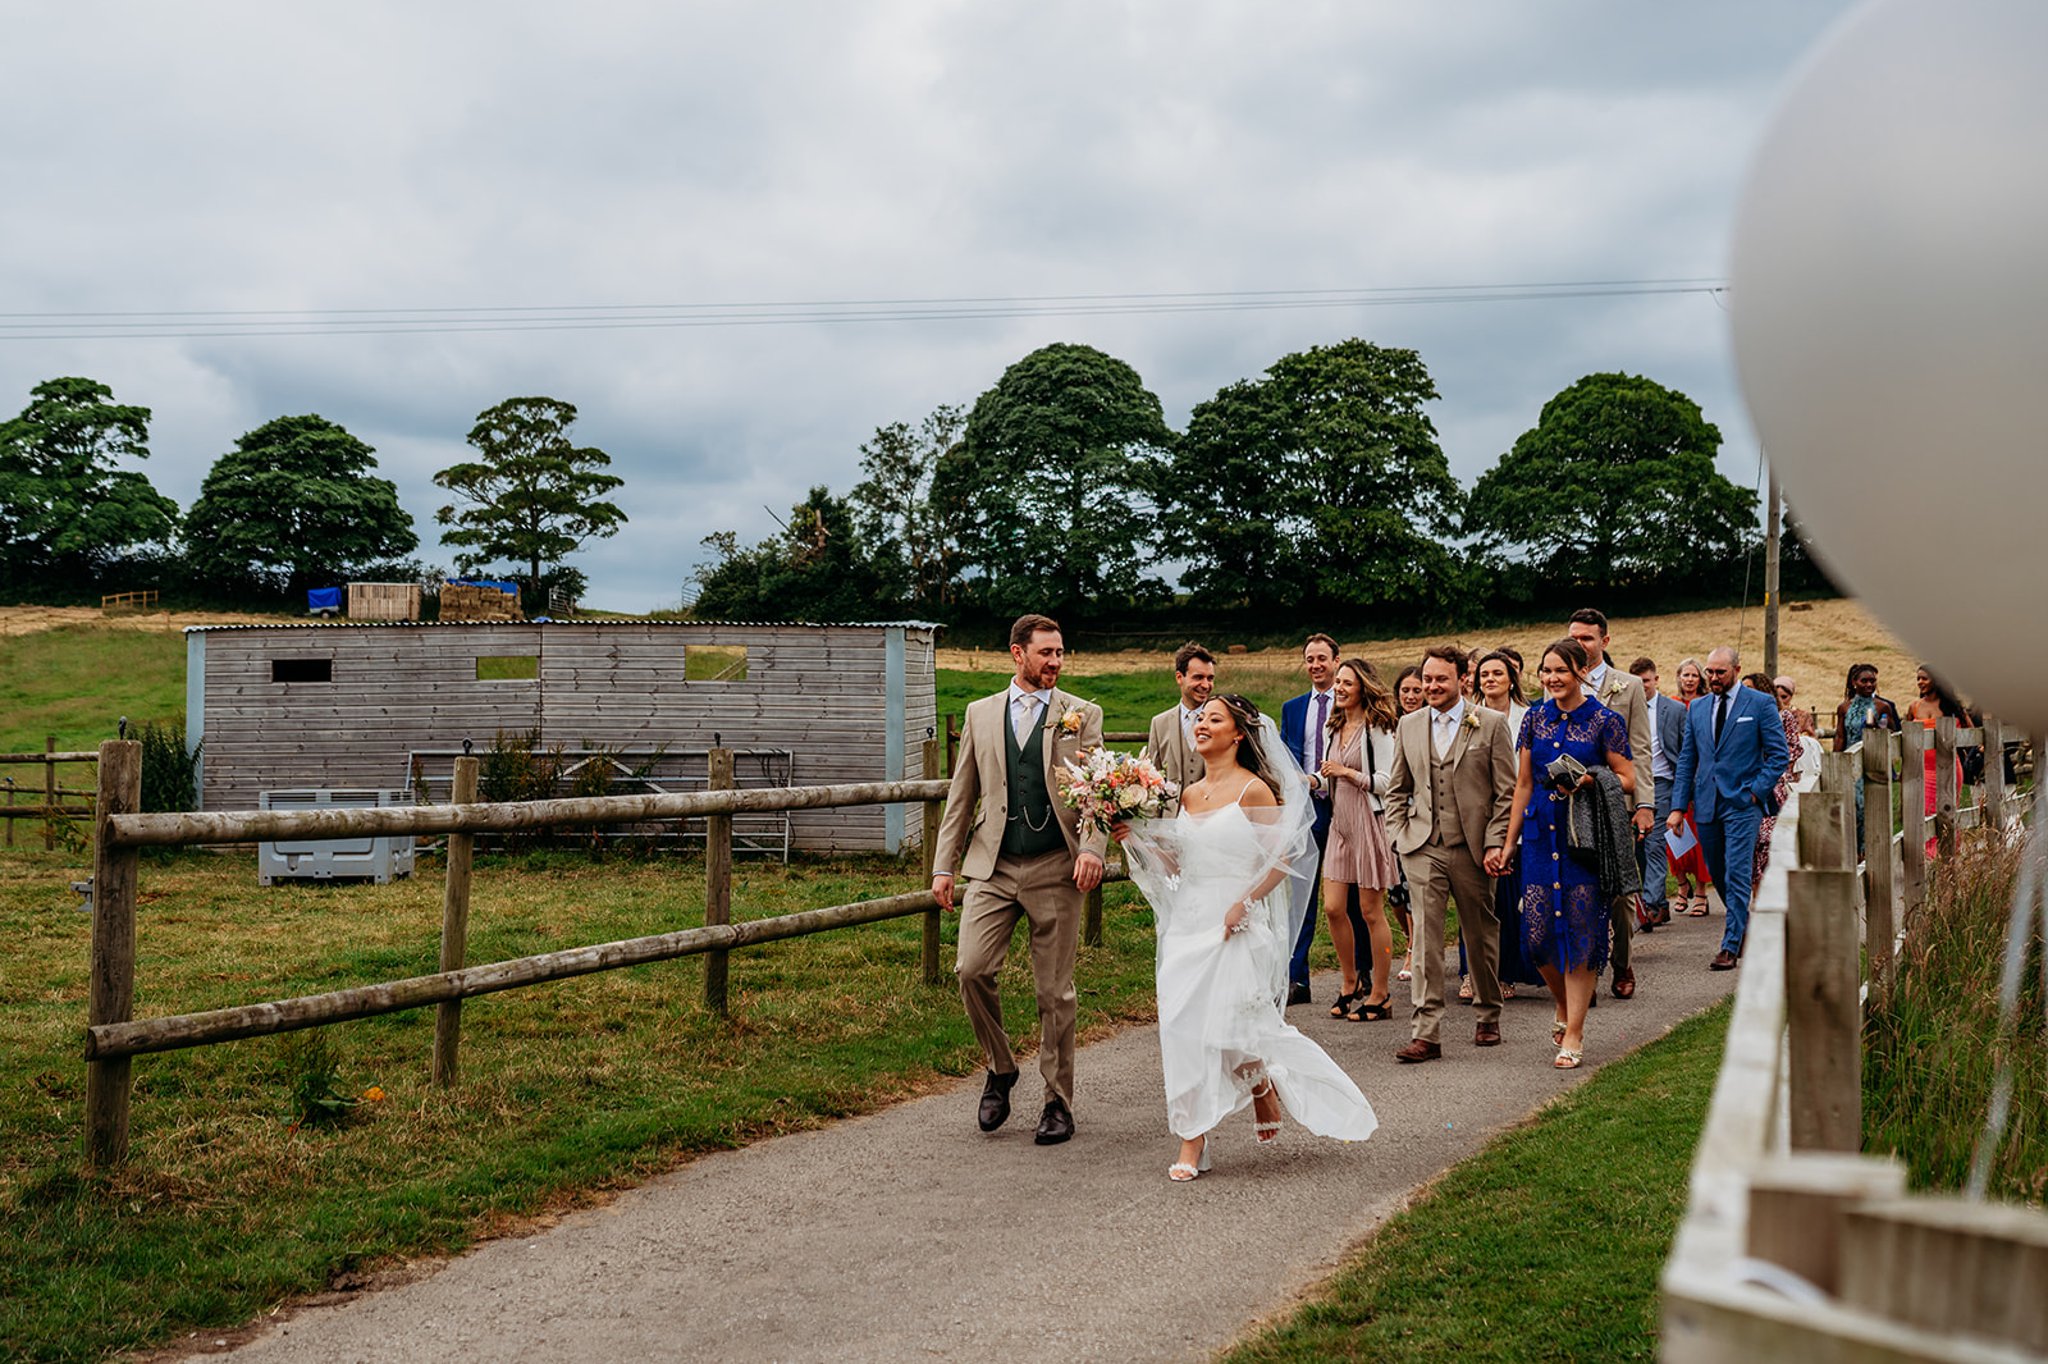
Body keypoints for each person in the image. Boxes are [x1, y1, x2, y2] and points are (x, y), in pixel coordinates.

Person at [1114, 694, 1378, 1181]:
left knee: (1230, 1028)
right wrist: (1136, 837)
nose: (1201, 724)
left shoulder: (1254, 791)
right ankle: (1202, 1129)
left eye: (1214, 719)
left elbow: (1284, 859)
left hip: (1233, 921)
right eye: (1200, 718)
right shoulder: (1189, 795)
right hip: (1189, 921)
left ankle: (1247, 1097)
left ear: (1237, 733)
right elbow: (1177, 866)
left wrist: (1246, 901)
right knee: (1182, 1028)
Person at [931, 614, 1107, 1145]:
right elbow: (962, 793)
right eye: (1046, 652)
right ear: (1018, 653)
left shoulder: (1082, 714)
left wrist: (1092, 848)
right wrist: (944, 864)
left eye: (1060, 652)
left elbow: (1099, 789)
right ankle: (1001, 1066)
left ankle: (1057, 1102)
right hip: (993, 863)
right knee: (971, 969)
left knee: (1054, 992)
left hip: (1056, 864)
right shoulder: (980, 713)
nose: (1055, 661)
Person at [1498, 638, 1637, 1068]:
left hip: (1583, 840)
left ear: (1581, 672)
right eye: (1546, 670)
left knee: (1581, 936)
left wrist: (1590, 779)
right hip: (1540, 837)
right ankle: (1562, 1002)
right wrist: (1509, 843)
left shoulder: (1605, 721)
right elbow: (1523, 784)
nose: (1552, 678)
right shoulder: (1534, 719)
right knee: (1536, 940)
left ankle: (1574, 1032)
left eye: (1560, 670)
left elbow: (1627, 778)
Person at [1383, 645, 1517, 1063]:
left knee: (1479, 934)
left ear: (1462, 680)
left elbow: (1507, 793)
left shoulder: (1491, 724)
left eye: (1441, 678)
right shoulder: (1408, 725)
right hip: (1422, 847)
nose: (1432, 686)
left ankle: (1488, 1011)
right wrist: (1398, 836)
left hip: (1473, 848)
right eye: (1427, 679)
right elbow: (1397, 789)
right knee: (1426, 939)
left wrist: (1496, 842)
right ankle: (1426, 1032)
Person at [1670, 647, 1790, 970]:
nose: (1713, 678)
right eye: (1709, 672)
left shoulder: (1760, 703)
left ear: (1737, 670)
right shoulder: (1698, 707)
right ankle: (1746, 928)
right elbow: (1687, 759)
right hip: (1707, 802)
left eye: (1720, 672)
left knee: (1737, 871)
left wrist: (1755, 792)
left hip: (1743, 803)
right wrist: (1678, 807)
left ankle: (1730, 945)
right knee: (1718, 871)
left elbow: (1779, 754)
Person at [1565, 609, 1654, 1001]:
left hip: (1617, 798)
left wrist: (1645, 803)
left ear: (1604, 641)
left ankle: (1622, 962)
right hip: (1573, 802)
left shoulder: (1628, 686)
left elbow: (1641, 750)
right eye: (1573, 637)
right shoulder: (1560, 682)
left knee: (1619, 892)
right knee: (1579, 890)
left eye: (1586, 638)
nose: (1579, 644)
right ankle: (1587, 972)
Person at [1317, 658, 1400, 1022]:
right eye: (1338, 682)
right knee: (1333, 908)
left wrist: (1348, 773)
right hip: (1341, 825)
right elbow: (1328, 773)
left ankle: (1381, 994)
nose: (1339, 688)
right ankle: (1350, 982)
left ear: (1363, 687)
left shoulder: (1377, 727)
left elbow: (1388, 781)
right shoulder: (1333, 725)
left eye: (1347, 683)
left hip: (1369, 823)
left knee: (1370, 911)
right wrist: (1312, 780)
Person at [1461, 649, 1531, 999]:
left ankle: (1505, 972)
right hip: (1477, 816)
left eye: (1497, 674)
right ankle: (1470, 972)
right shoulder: (1467, 717)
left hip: (1518, 813)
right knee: (1473, 898)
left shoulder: (1528, 717)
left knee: (1508, 899)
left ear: (1511, 680)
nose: (1490, 679)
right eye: (1484, 675)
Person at [1280, 634, 1342, 1005]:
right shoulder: (1292, 708)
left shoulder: (1349, 701)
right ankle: (1297, 980)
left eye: (1322, 658)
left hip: (1346, 806)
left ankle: (1360, 975)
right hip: (1306, 811)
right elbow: (1284, 757)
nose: (1316, 665)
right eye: (1310, 659)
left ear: (1336, 661)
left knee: (1349, 898)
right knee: (1301, 897)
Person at [1630, 656, 1687, 931]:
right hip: (1633, 783)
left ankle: (1651, 905)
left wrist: (1684, 794)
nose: (1642, 686)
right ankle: (1660, 904)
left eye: (1646, 681)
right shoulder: (1627, 707)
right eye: (1637, 682)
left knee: (1654, 843)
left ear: (1656, 680)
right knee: (1637, 846)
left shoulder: (1674, 710)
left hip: (1662, 782)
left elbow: (1686, 752)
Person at [1741, 672, 1801, 892]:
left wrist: (1773, 768)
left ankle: (1769, 889)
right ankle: (1755, 891)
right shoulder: (1740, 717)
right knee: (1751, 841)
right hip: (1746, 782)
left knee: (1768, 840)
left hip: (1773, 784)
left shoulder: (1782, 716)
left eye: (1750, 689)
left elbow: (1793, 748)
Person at [1834, 663, 1901, 853]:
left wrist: (1879, 728)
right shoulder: (1844, 707)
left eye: (1872, 681)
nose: (1869, 684)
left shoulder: (1882, 706)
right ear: (1854, 682)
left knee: (1869, 808)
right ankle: (1853, 850)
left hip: (1873, 762)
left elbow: (1893, 732)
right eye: (1864, 681)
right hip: (1851, 761)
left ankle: (1869, 850)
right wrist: (1836, 761)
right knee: (1853, 807)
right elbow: (1840, 736)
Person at [1903, 664, 1968, 859]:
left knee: (1947, 813)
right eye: (1918, 678)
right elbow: (1905, 735)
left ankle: (1948, 856)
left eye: (1924, 678)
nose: (1920, 682)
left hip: (1949, 768)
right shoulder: (1914, 707)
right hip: (1923, 770)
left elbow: (1969, 733)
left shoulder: (1951, 707)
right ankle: (1929, 858)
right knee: (1925, 813)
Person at [1389, 663, 1427, 982]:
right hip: (1392, 815)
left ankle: (1415, 948)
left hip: (1420, 815)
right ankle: (1408, 936)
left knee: (1412, 887)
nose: (1411, 696)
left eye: (1417, 690)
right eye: (1406, 690)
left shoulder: (1428, 725)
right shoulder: (1387, 726)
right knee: (1394, 893)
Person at [1146, 642, 1215, 791]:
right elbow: (1152, 778)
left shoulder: (1223, 721)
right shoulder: (1159, 723)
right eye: (1198, 677)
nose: (1205, 685)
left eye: (1210, 678)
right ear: (1179, 677)